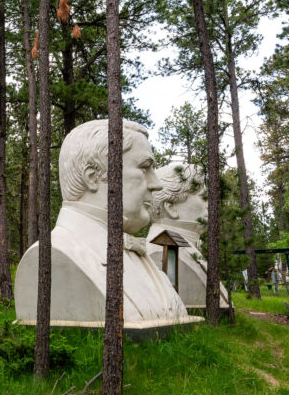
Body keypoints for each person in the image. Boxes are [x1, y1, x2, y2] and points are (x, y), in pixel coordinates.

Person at [15, 119, 190, 327]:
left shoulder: (134, 251)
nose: (156, 184)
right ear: (93, 177)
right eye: (144, 168)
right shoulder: (52, 254)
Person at [146, 160, 229, 311]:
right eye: (203, 197)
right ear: (170, 208)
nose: (209, 204)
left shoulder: (186, 246)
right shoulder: (160, 250)